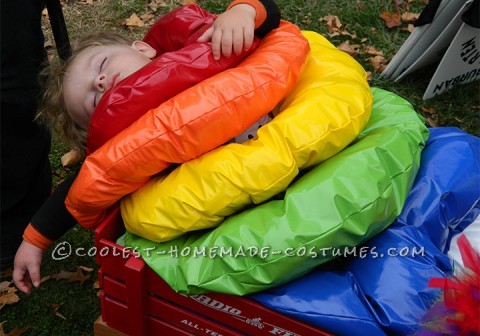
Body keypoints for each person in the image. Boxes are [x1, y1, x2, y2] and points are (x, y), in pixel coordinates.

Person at [13, 0, 281, 294]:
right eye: (92, 101)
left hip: (284, 147)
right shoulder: (132, 145)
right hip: (237, 209)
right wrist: (35, 239)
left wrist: (242, 12)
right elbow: (85, 187)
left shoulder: (207, 50)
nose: (100, 81)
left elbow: (268, 24)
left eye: (101, 65)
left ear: (143, 49)